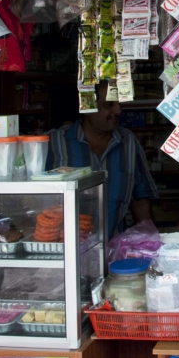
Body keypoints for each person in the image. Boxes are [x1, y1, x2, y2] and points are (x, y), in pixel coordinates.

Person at [46, 81, 157, 240]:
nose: (118, 110)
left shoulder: (128, 142)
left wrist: (149, 242)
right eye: (109, 105)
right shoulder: (54, 143)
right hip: (67, 247)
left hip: (115, 247)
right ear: (87, 107)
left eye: (119, 103)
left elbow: (140, 199)